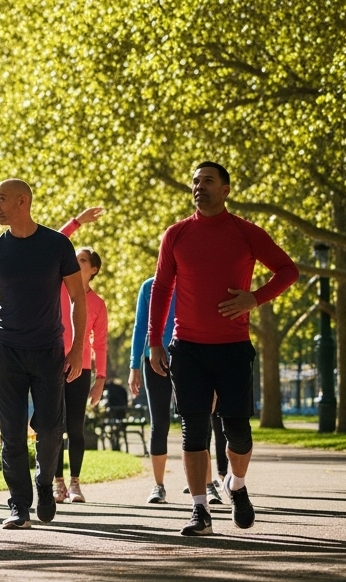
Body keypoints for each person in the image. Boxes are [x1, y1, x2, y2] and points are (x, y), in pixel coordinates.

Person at [148, 162, 298, 536]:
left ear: (226, 189)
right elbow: (162, 288)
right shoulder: (176, 234)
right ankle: (200, 511)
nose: (199, 186)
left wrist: (255, 298)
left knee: (238, 432)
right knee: (193, 431)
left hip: (233, 347)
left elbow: (287, 270)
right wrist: (154, 342)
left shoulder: (246, 233)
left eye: (208, 181)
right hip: (188, 347)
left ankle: (236, 484)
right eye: (195, 181)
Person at [0, 179, 85, 529]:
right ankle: (19, 504)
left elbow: (78, 298)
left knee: (50, 429)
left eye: (1, 200)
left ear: (23, 201)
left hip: (49, 350)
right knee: (12, 432)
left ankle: (44, 483)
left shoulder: (57, 245)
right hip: (8, 351)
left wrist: (77, 349)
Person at [131, 278, 227, 504]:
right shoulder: (149, 287)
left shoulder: (193, 282)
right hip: (155, 359)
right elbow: (140, 326)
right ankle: (158, 486)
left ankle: (207, 484)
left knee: (199, 420)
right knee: (159, 422)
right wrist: (134, 366)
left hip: (189, 358)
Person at [53, 208, 110, 503]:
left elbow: (101, 343)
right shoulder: (59, 287)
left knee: (75, 428)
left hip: (81, 368)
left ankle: (74, 483)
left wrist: (101, 378)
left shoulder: (98, 303)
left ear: (94, 269)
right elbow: (55, 242)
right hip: (51, 363)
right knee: (53, 426)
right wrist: (77, 222)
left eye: (83, 260)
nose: (76, 261)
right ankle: (57, 483)